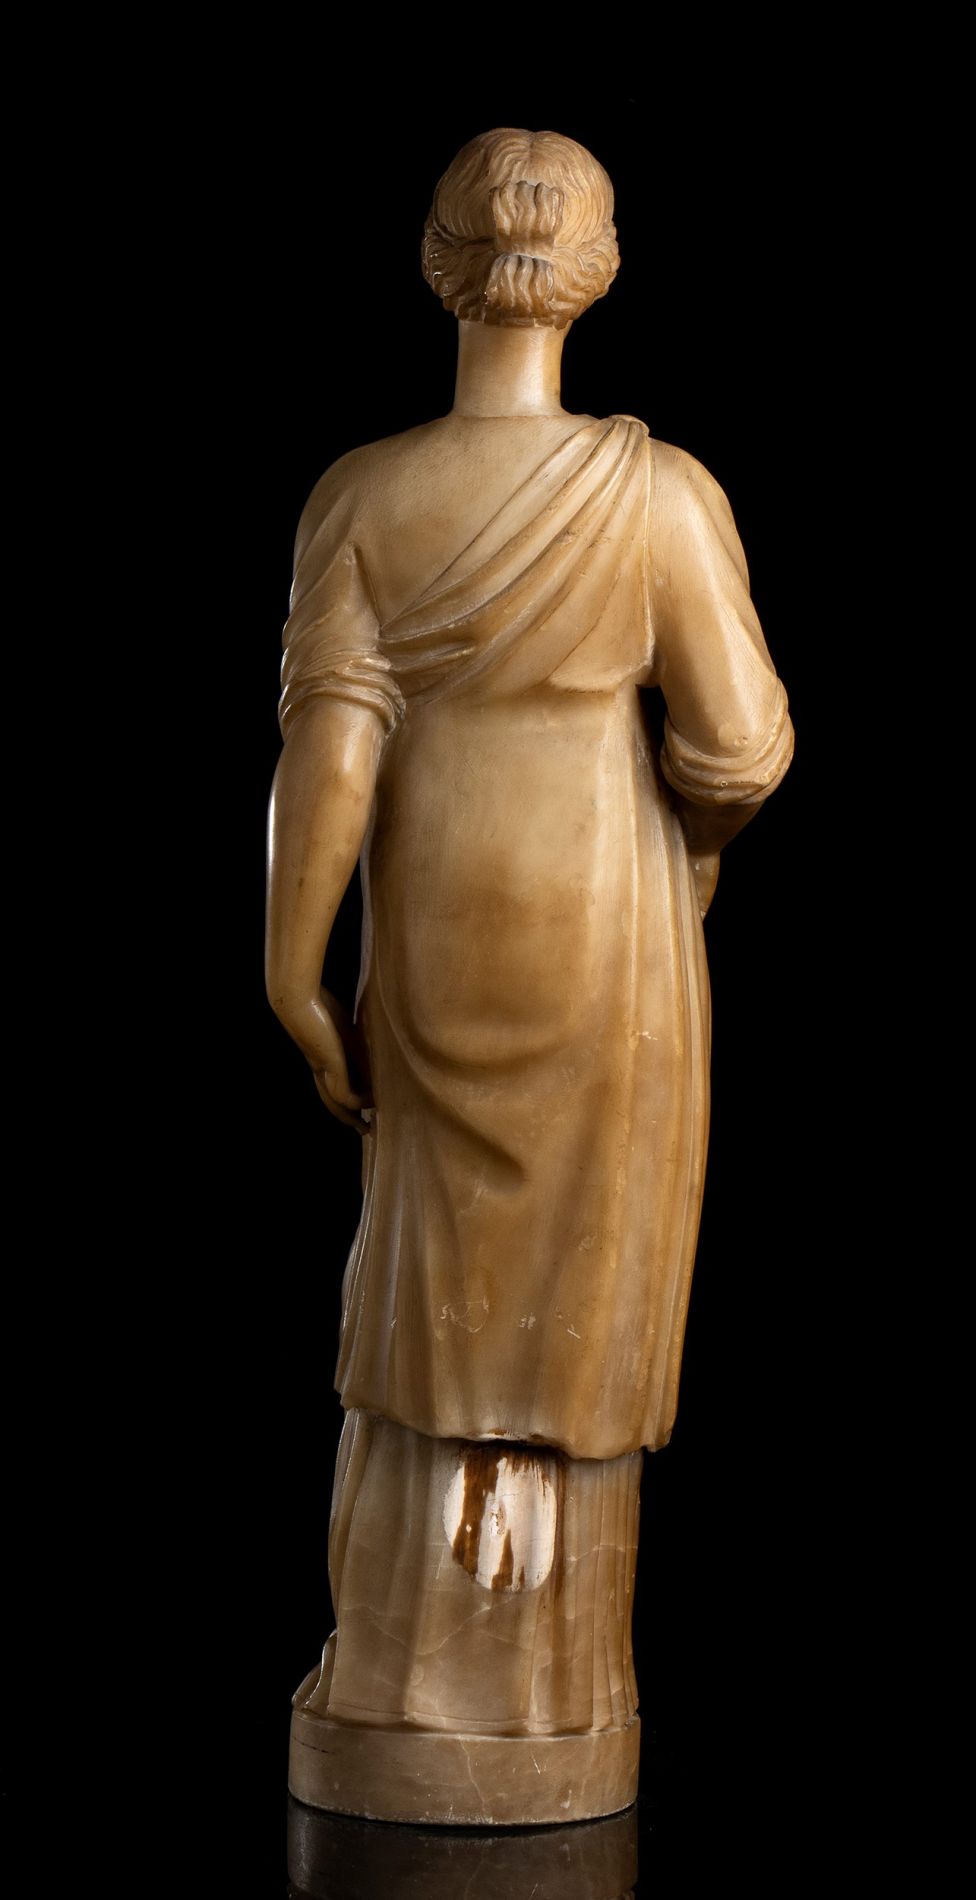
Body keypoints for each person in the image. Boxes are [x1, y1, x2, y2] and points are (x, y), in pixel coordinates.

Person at [267, 128, 793, 1819]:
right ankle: (557, 1695)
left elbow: (327, 756)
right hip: (604, 939)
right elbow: (741, 745)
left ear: (440, 266)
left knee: (426, 1296)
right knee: (572, 1308)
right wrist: (689, 847)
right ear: (596, 273)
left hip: (430, 937)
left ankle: (395, 1677)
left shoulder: (363, 495)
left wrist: (292, 968)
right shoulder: (661, 496)